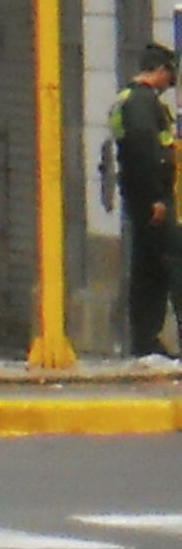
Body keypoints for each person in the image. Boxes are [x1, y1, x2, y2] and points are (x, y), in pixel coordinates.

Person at [115, 43, 176, 359]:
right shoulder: (141, 104)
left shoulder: (128, 98)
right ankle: (147, 340)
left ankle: (146, 342)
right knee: (170, 265)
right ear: (161, 71)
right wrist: (156, 197)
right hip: (154, 200)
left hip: (142, 199)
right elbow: (144, 152)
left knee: (148, 269)